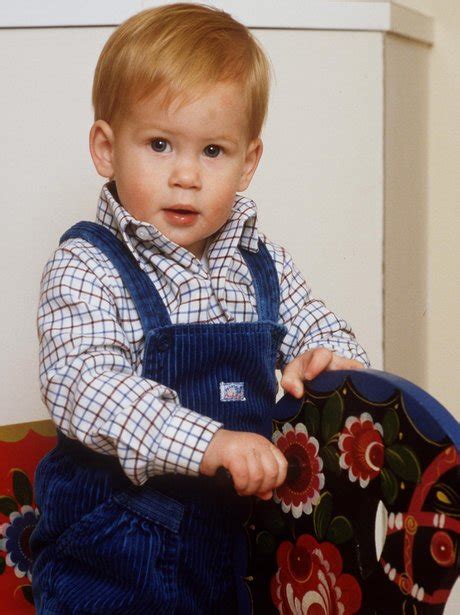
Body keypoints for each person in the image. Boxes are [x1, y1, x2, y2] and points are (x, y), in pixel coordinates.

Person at [31, 3, 369, 613]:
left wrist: (328, 364)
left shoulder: (262, 262)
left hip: (236, 544)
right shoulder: (87, 266)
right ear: (107, 149)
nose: (186, 174)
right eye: (160, 144)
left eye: (213, 150)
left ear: (249, 161)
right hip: (116, 557)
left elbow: (324, 331)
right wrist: (210, 443)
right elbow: (87, 385)